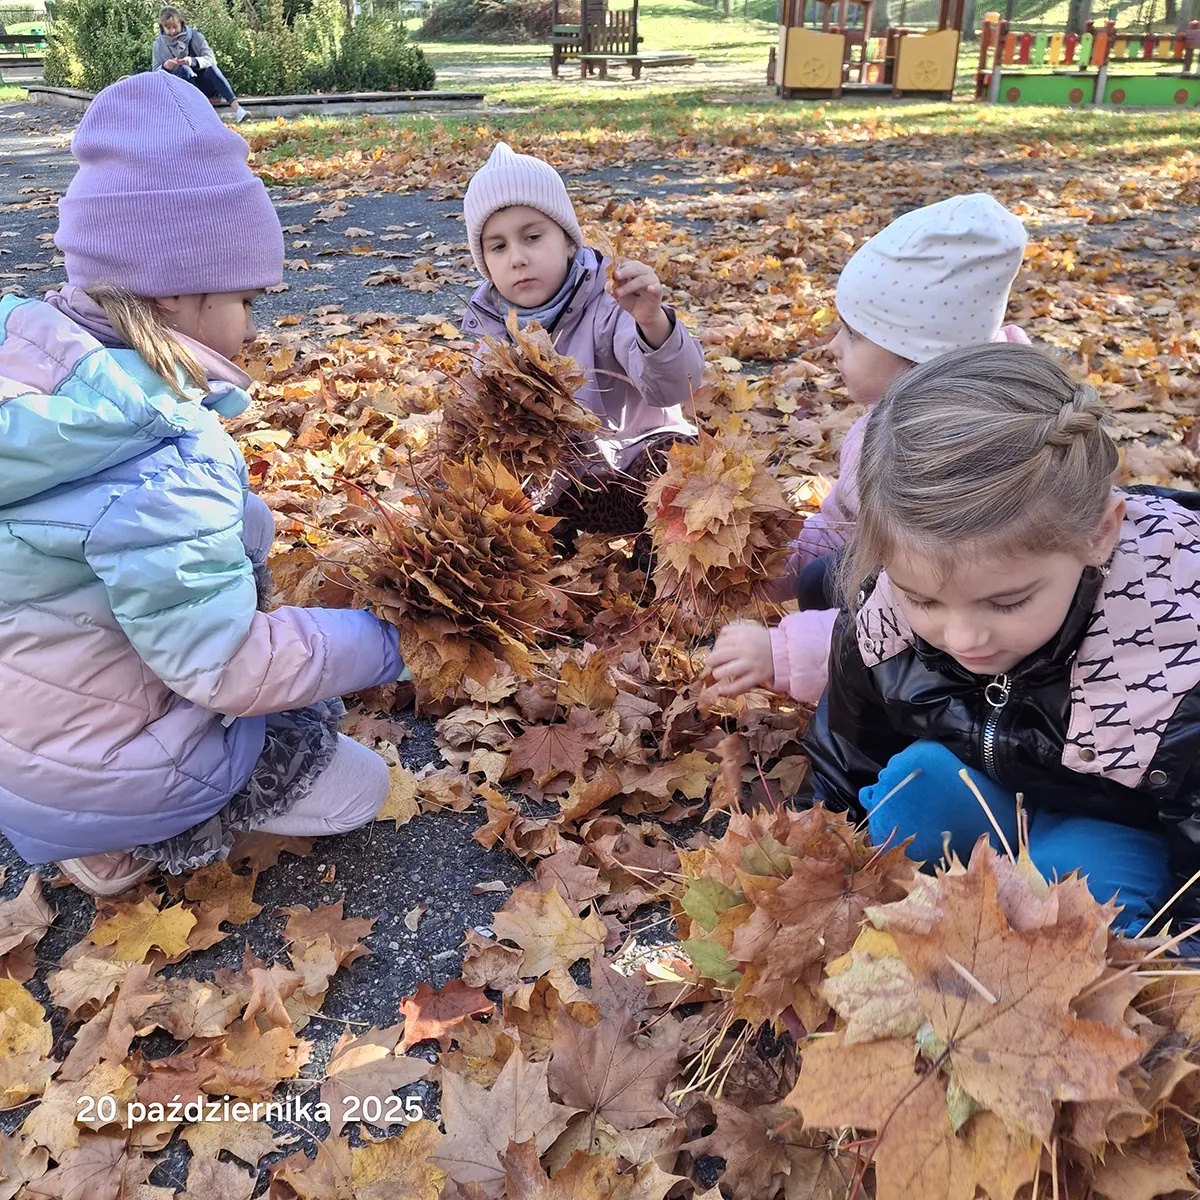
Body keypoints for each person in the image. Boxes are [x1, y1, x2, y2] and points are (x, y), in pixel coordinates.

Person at [0, 72, 405, 896]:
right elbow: (227, 669)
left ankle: (87, 819)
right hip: (115, 771)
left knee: (239, 535)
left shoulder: (37, 376)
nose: (253, 324)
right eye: (246, 298)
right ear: (177, 294)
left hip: (23, 750)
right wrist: (389, 640)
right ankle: (129, 838)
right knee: (363, 789)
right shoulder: (163, 455)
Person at [800, 342, 1200, 932]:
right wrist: (817, 867)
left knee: (1071, 908)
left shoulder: (1174, 654)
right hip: (983, 786)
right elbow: (849, 747)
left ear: (1099, 535)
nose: (962, 636)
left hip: (1121, 826)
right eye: (924, 600)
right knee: (907, 796)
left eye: (1008, 602)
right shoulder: (884, 617)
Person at [708, 194, 1029, 704]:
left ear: (916, 358)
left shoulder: (949, 467)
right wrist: (760, 562)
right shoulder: (896, 423)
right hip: (924, 601)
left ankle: (896, 723)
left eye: (854, 334)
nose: (832, 346)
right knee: (823, 577)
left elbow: (936, 609)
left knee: (834, 585)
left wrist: (787, 651)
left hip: (980, 657)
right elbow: (841, 528)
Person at [460, 143, 705, 538]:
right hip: (559, 493)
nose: (517, 258)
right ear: (485, 263)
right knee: (479, 484)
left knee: (676, 467)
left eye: (532, 237)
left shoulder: (611, 304)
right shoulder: (494, 337)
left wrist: (651, 323)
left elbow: (677, 387)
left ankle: (659, 555)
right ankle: (550, 554)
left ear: (569, 241)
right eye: (499, 246)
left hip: (631, 468)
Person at [153, 6, 248, 124]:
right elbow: (154, 73)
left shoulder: (195, 36)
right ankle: (200, 115)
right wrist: (165, 66)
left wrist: (193, 61)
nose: (172, 31)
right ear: (162, 27)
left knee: (213, 69)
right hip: (180, 90)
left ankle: (238, 110)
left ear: (181, 23)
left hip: (203, 84)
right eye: (168, 28)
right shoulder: (158, 45)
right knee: (184, 70)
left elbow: (211, 59)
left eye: (175, 27)